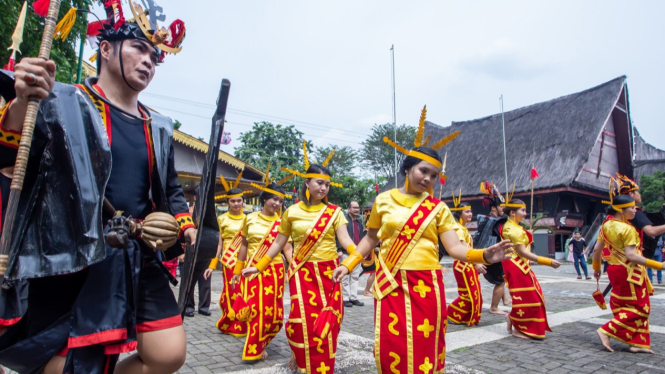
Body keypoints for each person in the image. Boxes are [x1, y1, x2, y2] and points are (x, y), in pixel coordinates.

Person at [0, 2, 192, 373]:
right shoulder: (62, 100)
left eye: (155, 55)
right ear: (105, 48)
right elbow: (11, 156)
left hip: (136, 251)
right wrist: (24, 99)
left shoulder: (159, 125)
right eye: (138, 47)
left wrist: (185, 226)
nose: (148, 61)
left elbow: (170, 191)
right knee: (75, 363)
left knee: (168, 354)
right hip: (73, 253)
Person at [332, 108, 514, 373]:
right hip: (391, 280)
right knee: (390, 344)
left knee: (425, 343)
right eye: (423, 171)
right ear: (408, 168)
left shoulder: (437, 208)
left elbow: (454, 248)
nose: (428, 179)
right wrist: (348, 265)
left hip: (427, 283)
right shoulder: (383, 200)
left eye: (433, 175)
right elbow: (370, 239)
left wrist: (484, 255)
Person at [243, 149, 357, 374]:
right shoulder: (292, 212)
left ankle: (322, 366)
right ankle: (299, 355)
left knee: (328, 322)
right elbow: (279, 243)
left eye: (327, 184)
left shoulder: (334, 212)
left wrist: (355, 258)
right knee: (299, 321)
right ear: (307, 183)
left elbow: (346, 241)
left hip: (329, 273)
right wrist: (258, 266)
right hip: (301, 273)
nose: (323, 188)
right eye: (319, 182)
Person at [592, 193, 661, 353]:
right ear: (621, 211)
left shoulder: (606, 225)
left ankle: (637, 343)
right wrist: (659, 266)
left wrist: (596, 268)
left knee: (623, 305)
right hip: (630, 271)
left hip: (614, 270)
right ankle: (606, 330)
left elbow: (597, 250)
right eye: (631, 208)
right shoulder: (628, 229)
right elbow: (631, 255)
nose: (635, 211)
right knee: (641, 307)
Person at [232, 182, 293, 361]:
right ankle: (255, 345)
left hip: (274, 272)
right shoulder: (249, 218)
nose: (277, 203)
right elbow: (244, 244)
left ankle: (263, 340)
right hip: (252, 271)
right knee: (255, 309)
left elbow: (287, 248)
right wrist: (237, 269)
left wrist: (293, 268)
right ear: (265, 198)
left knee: (272, 312)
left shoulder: (282, 223)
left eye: (281, 201)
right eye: (274, 199)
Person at [501, 197, 561, 340]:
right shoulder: (512, 229)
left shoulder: (515, 226)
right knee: (528, 298)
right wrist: (547, 261)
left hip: (520, 264)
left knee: (531, 296)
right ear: (512, 213)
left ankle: (513, 318)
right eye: (522, 210)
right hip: (516, 265)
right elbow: (522, 252)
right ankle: (519, 328)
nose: (525, 213)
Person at [203, 188, 248, 335]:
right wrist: (212, 264)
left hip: (247, 262)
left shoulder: (249, 219)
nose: (236, 204)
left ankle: (244, 323)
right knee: (232, 292)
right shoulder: (221, 219)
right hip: (229, 262)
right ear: (227, 202)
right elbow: (219, 245)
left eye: (238, 200)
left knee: (246, 293)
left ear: (243, 201)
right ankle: (232, 324)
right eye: (232, 201)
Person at [448, 194, 485, 327]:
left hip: (468, 264)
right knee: (468, 294)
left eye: (470, 211)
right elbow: (463, 247)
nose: (470, 214)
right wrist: (476, 262)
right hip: (463, 265)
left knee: (473, 294)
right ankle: (450, 313)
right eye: (467, 212)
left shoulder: (463, 228)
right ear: (459, 214)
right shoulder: (458, 229)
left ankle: (463, 316)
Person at [481, 182, 511, 315]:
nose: (503, 210)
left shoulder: (492, 219)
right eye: (501, 207)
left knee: (502, 277)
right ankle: (494, 307)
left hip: (490, 255)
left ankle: (504, 299)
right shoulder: (492, 221)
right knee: (500, 281)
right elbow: (485, 240)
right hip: (490, 255)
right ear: (494, 208)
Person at [185, 190, 213, 317]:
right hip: (190, 247)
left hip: (206, 245)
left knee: (205, 278)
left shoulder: (211, 213)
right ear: (195, 197)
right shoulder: (189, 211)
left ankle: (204, 306)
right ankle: (188, 306)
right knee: (189, 278)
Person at [336, 200, 366, 307]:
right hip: (345, 253)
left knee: (355, 276)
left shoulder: (359, 223)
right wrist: (339, 249)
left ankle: (353, 297)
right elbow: (339, 237)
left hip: (357, 253)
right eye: (354, 207)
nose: (357, 209)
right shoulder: (344, 222)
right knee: (345, 277)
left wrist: (364, 251)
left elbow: (363, 238)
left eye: (358, 207)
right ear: (348, 209)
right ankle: (345, 298)